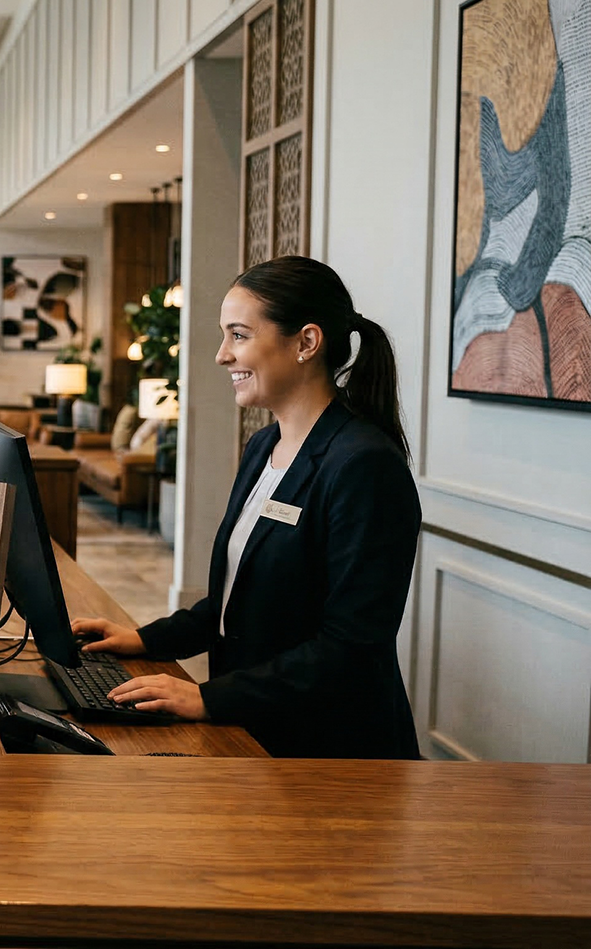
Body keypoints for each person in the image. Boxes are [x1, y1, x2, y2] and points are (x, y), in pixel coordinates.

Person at [75, 256, 422, 759]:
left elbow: (352, 649)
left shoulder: (364, 466)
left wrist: (208, 697)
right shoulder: (264, 446)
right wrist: (144, 640)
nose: (221, 355)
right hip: (256, 734)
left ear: (306, 342)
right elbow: (239, 600)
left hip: (330, 755)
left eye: (238, 335)